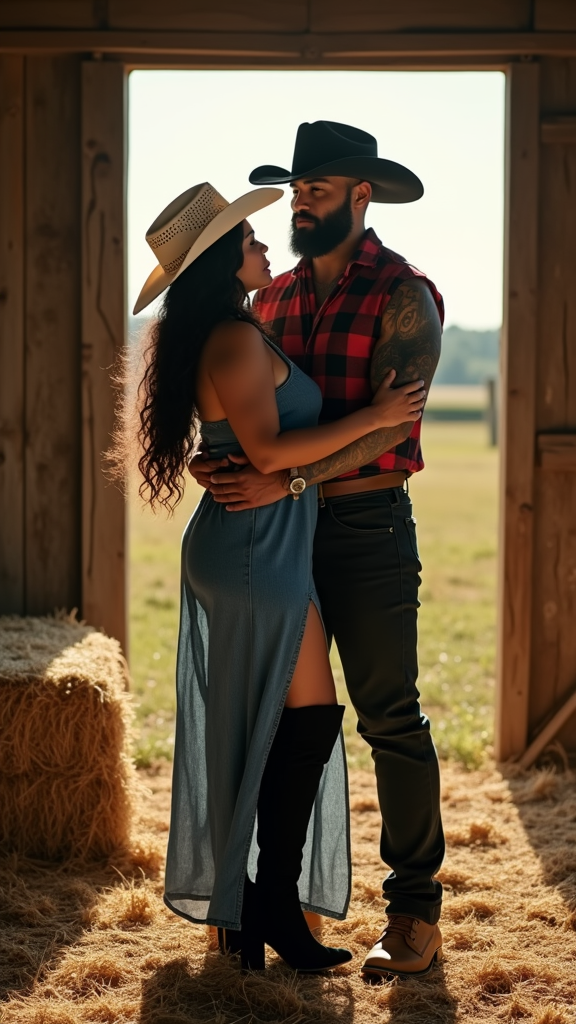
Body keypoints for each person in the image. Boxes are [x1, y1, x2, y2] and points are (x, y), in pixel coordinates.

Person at [126, 181, 426, 973]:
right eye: (249, 241)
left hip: (255, 541)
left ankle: (259, 907)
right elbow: (264, 453)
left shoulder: (230, 332)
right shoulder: (233, 337)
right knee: (303, 715)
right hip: (257, 546)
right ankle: (266, 905)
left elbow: (241, 441)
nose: (264, 247)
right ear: (226, 260)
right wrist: (374, 419)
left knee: (274, 720)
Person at [189, 122, 446, 980]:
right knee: (279, 720)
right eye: (296, 188)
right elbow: (254, 415)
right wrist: (218, 454)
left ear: (361, 196)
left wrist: (281, 480)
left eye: (318, 188)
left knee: (389, 718)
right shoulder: (271, 300)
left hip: (365, 529)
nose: (301, 200)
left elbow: (394, 417)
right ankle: (262, 902)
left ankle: (413, 911)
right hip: (272, 535)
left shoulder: (406, 294)